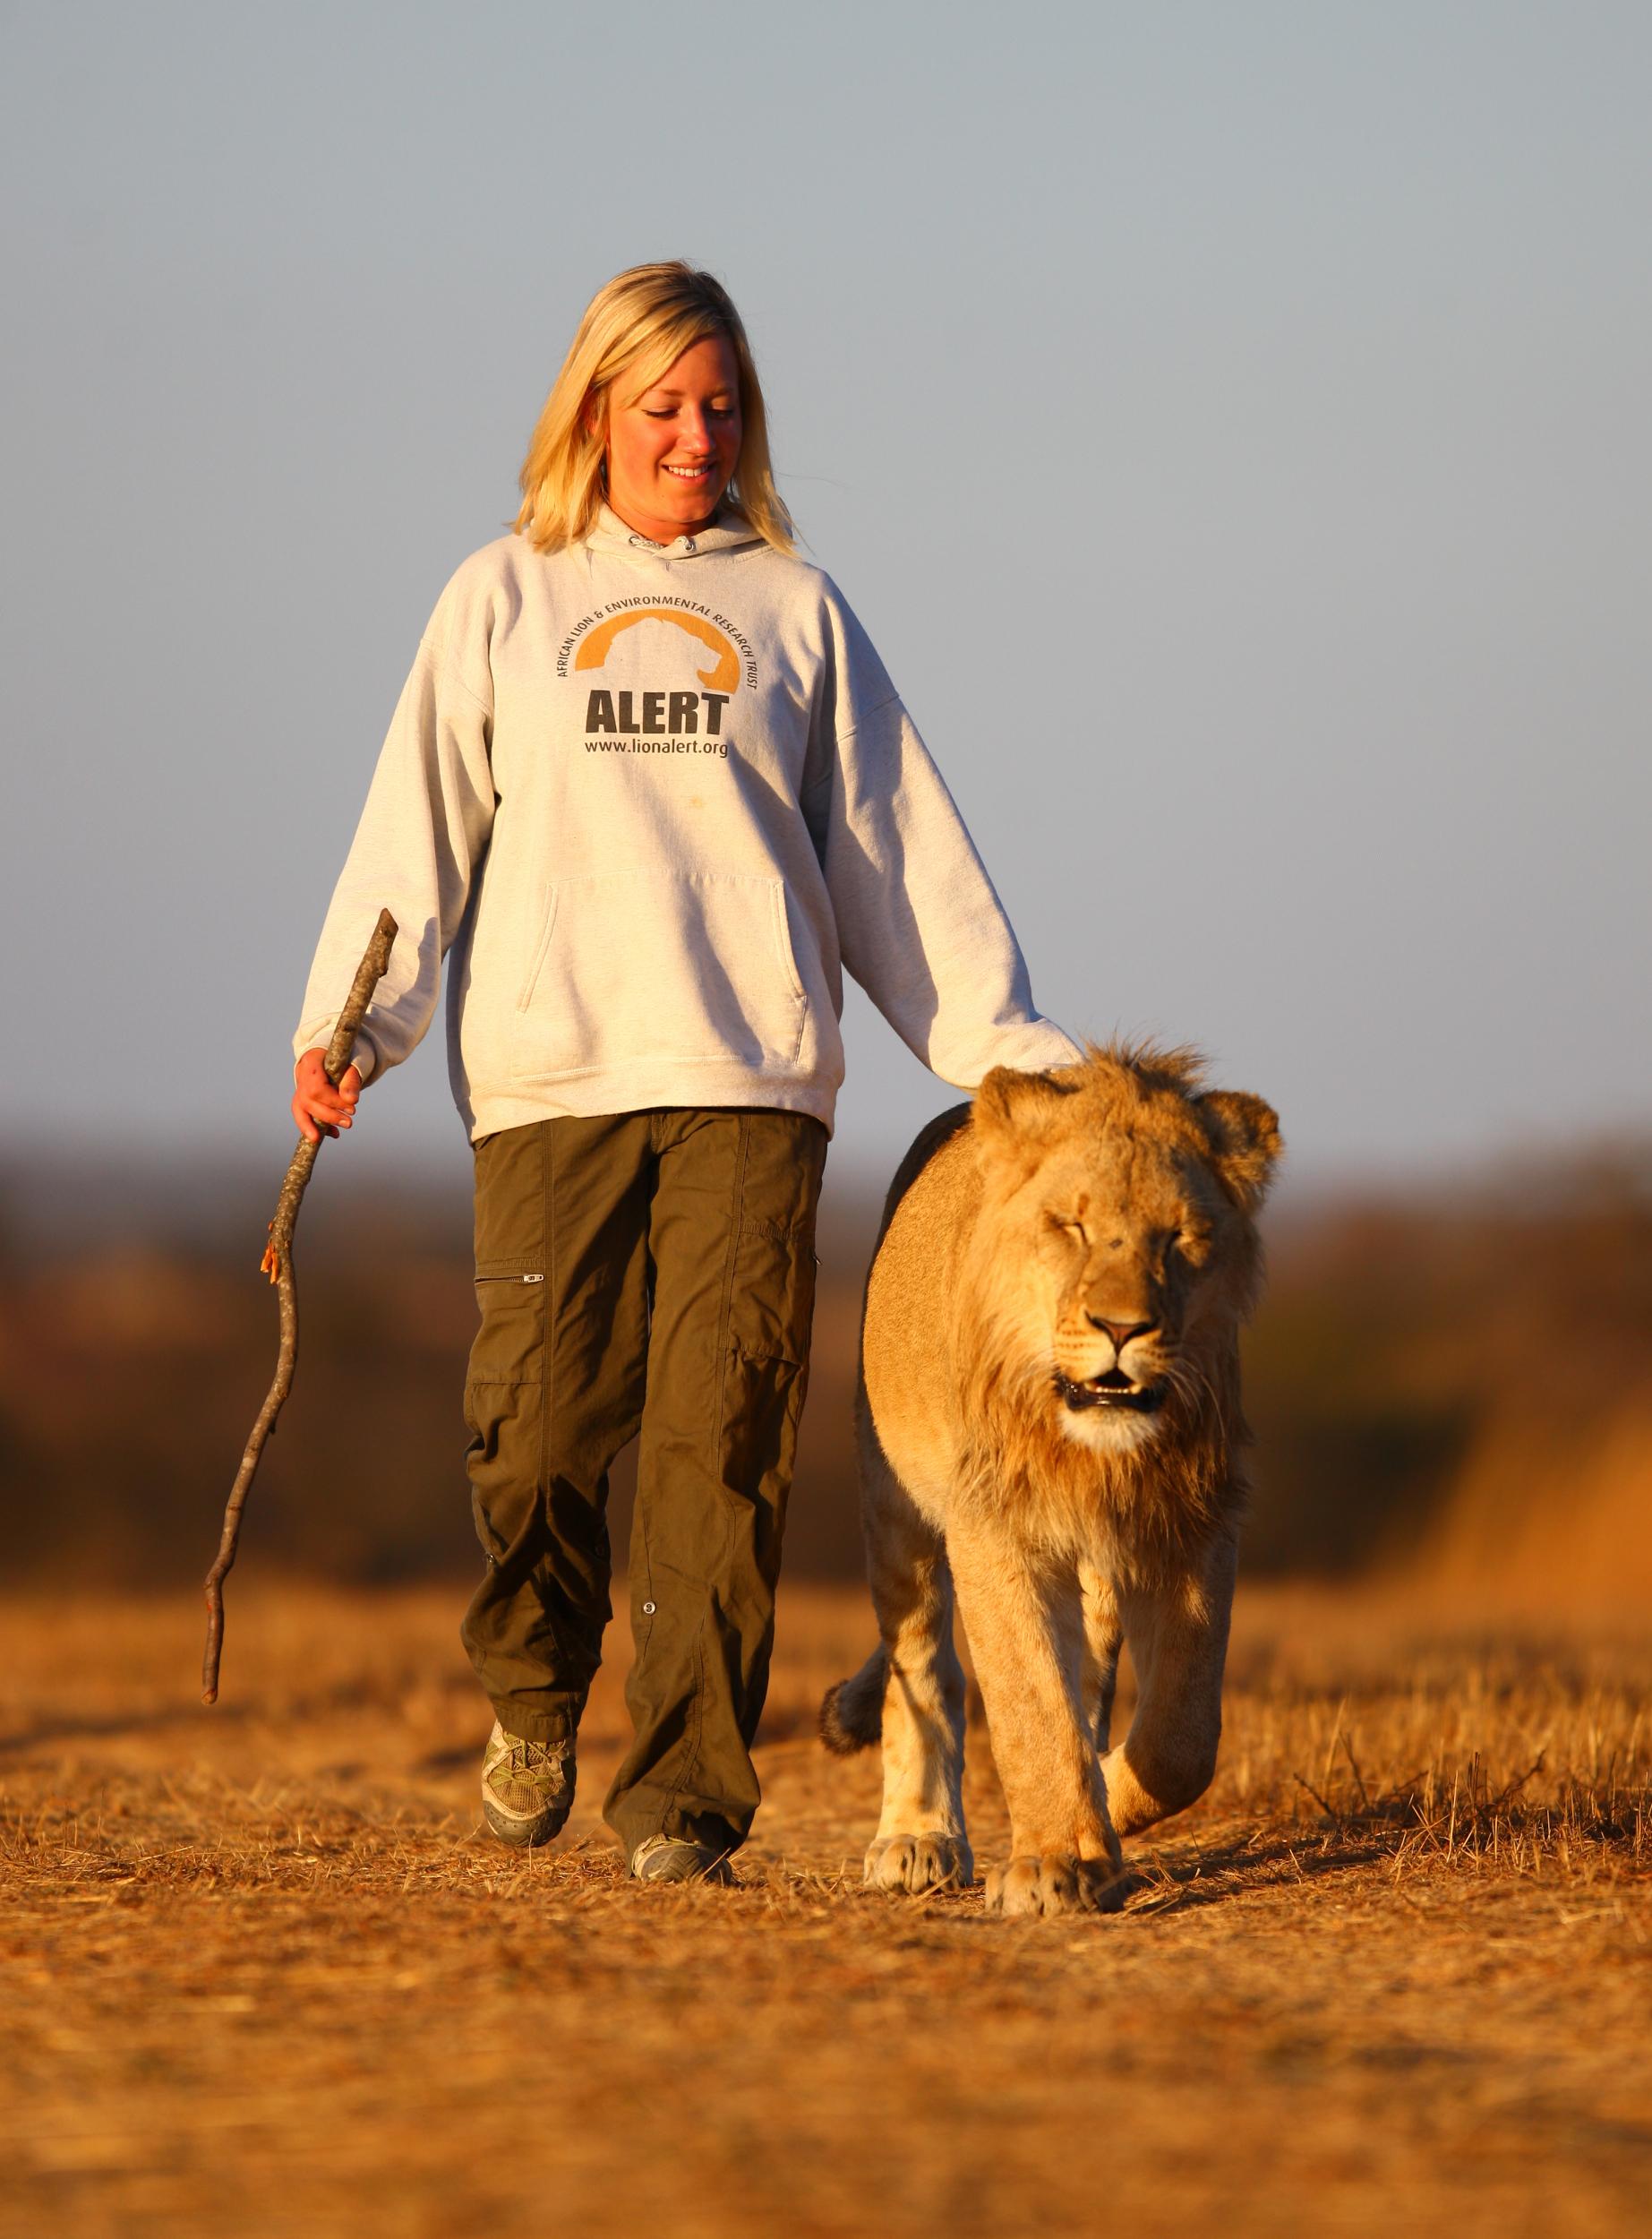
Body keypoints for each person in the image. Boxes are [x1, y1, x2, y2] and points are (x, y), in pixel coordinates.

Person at [290, 261, 1079, 1883]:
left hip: (752, 1076)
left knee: (720, 1442)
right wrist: (353, 1023)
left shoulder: (796, 611)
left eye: (721, 408)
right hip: (551, 1076)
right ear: (596, 412)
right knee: (536, 1432)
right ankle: (529, 1692)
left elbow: (889, 852)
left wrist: (1010, 1055)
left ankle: (683, 1804)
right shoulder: (501, 597)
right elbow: (412, 835)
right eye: (661, 406)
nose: (694, 435)